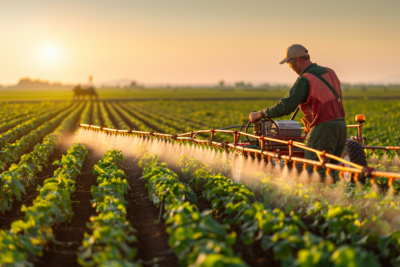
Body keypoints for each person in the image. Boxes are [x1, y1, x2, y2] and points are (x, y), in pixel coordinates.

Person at [248, 44, 347, 180]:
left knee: (315, 174)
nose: (290, 67)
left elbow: (285, 107)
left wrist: (259, 114)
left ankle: (319, 199)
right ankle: (337, 199)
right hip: (341, 127)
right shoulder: (330, 72)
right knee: (332, 172)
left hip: (323, 129)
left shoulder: (305, 79)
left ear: (297, 60)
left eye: (289, 63)